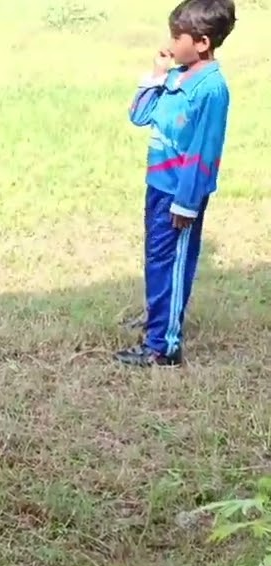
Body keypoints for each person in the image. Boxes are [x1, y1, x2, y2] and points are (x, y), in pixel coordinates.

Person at [118, 0, 236, 367]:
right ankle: (158, 320)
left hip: (180, 195)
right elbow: (139, 115)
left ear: (201, 42)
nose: (169, 42)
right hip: (158, 186)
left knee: (173, 263)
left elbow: (204, 151)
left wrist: (187, 203)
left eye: (176, 36)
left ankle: (163, 347)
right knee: (157, 260)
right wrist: (157, 72)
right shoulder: (174, 77)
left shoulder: (211, 90)